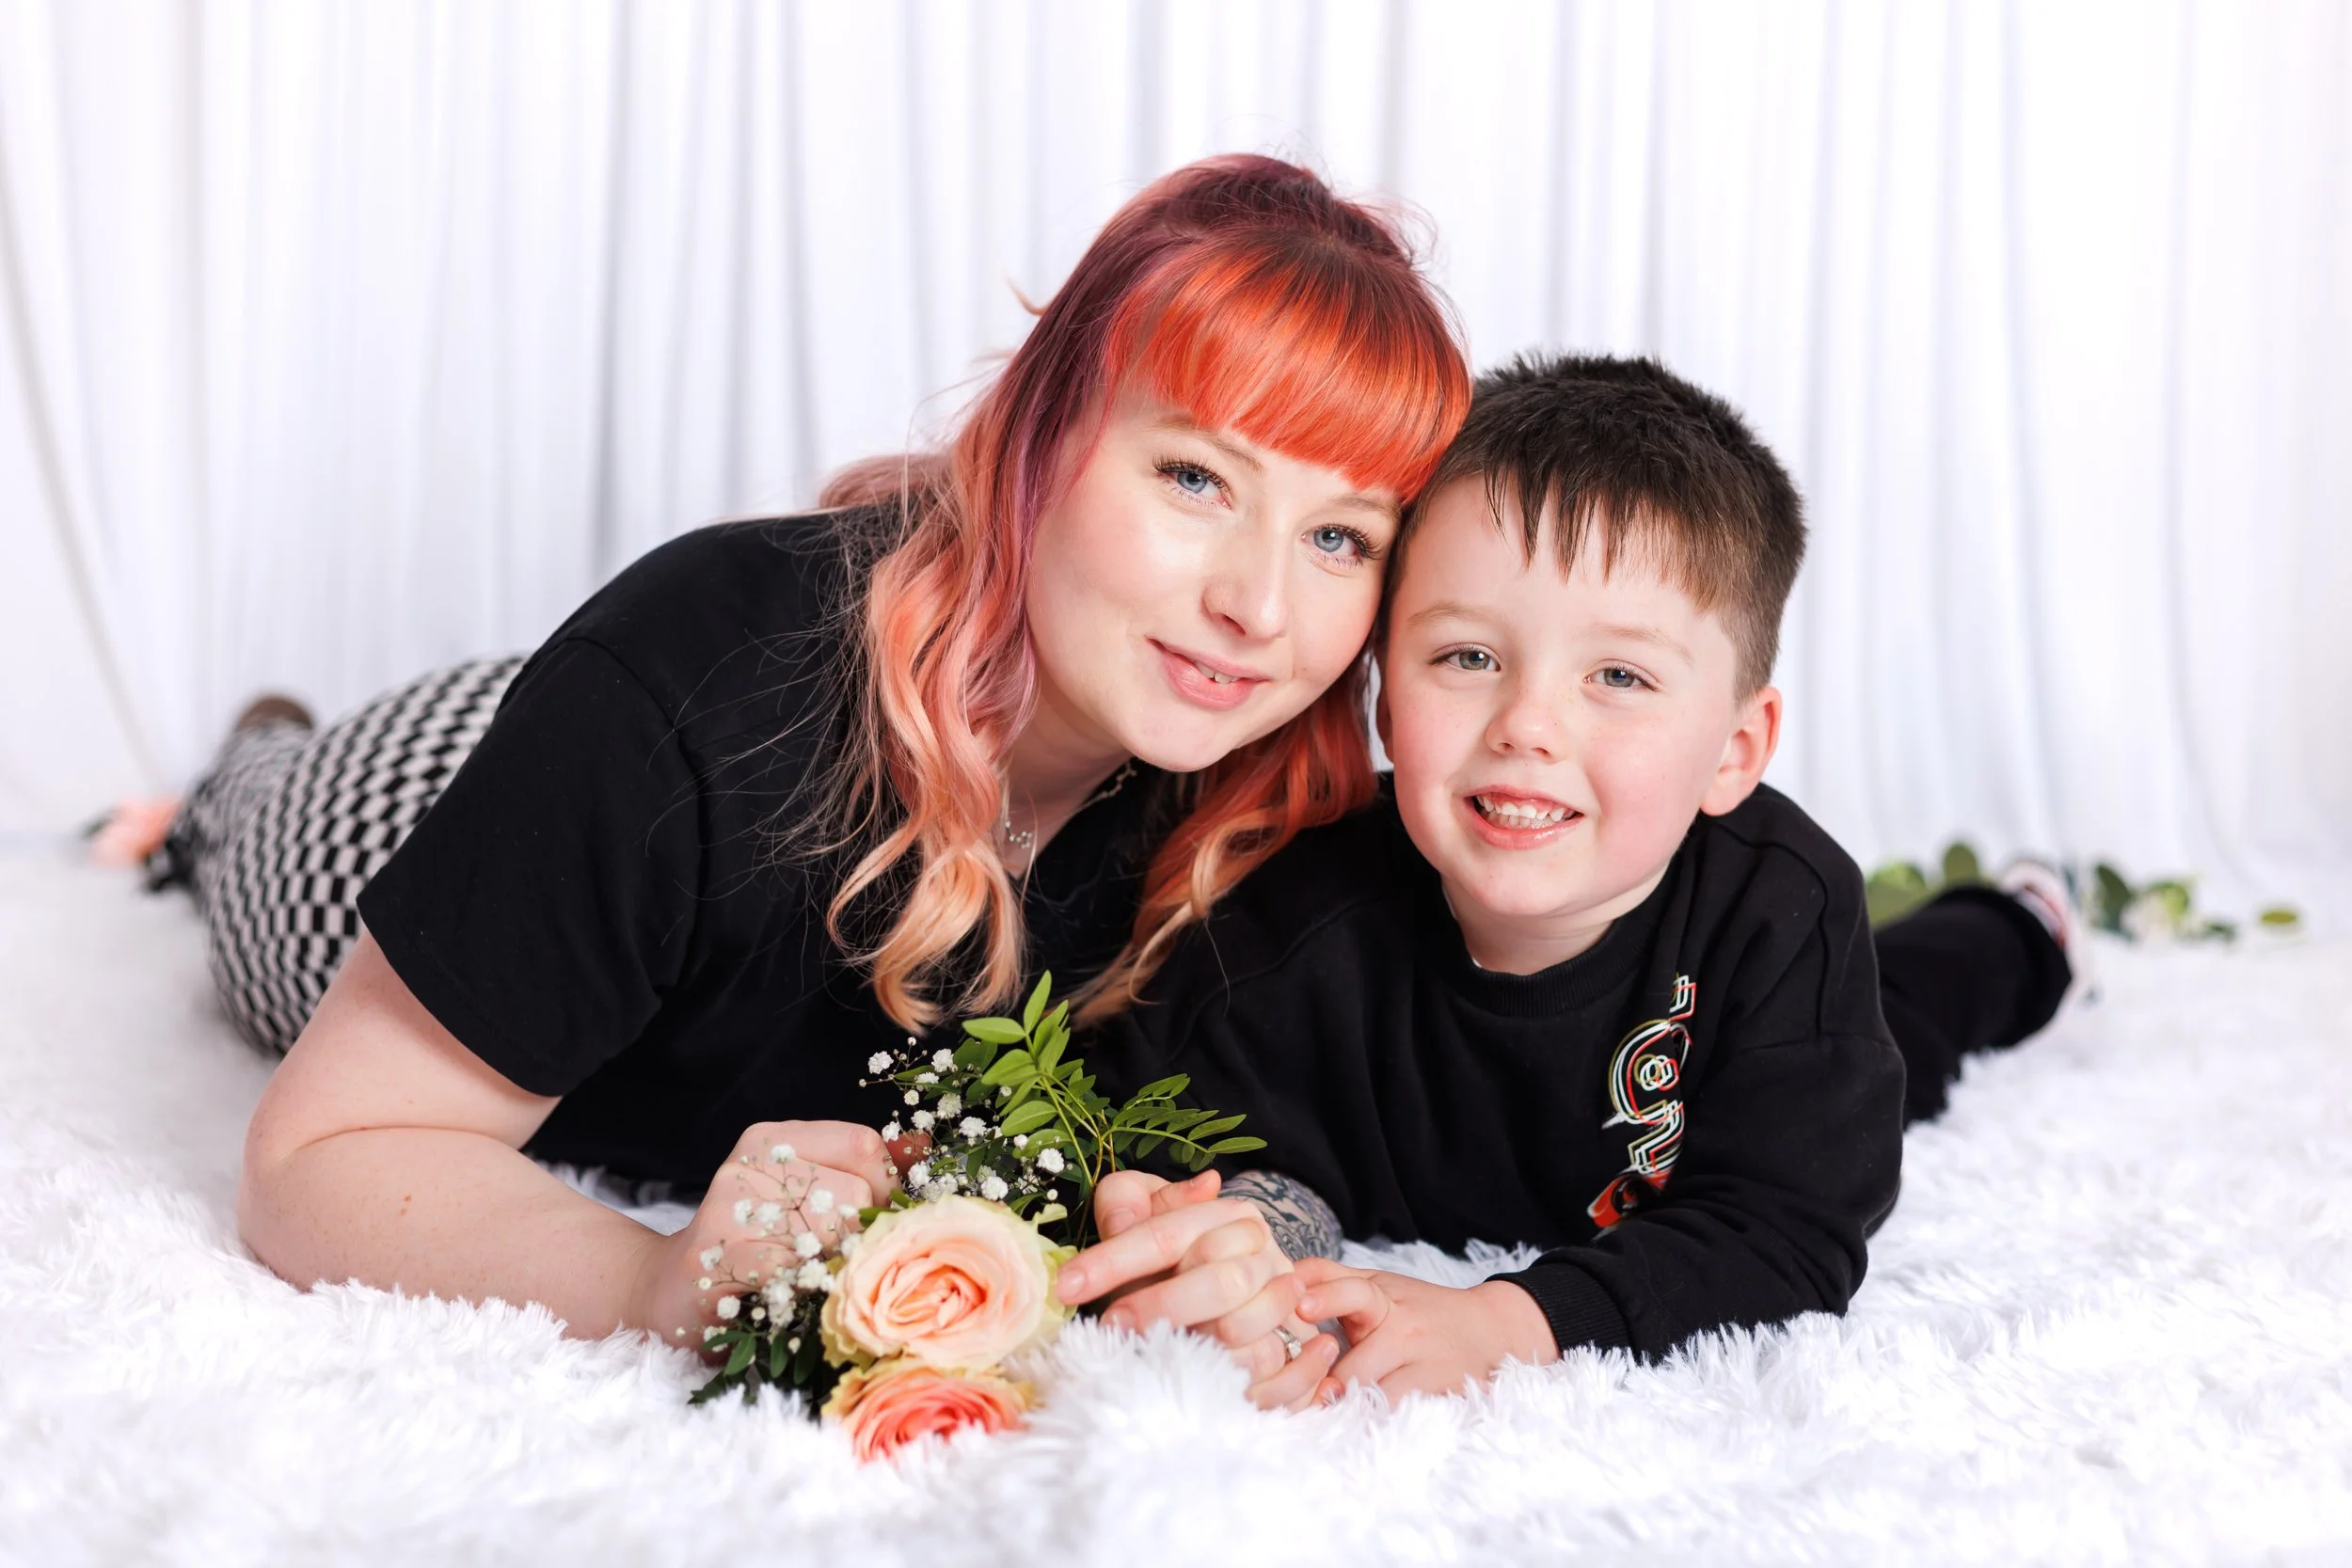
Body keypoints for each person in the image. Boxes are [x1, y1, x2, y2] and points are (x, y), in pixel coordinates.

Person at [204, 154, 1470, 1413]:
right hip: (449, 771)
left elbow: (1269, 1156)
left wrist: (1247, 1240)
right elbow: (317, 1155)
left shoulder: (1251, 779)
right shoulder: (687, 683)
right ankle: (221, 780)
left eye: (1338, 537)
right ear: (1045, 433)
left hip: (660, 779)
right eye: (1195, 478)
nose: (1255, 605)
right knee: (263, 829)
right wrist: (654, 1278)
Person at [1087, 353, 2077, 1399]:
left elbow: (1788, 1231)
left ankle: (2022, 923)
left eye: (1618, 676)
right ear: (1383, 697)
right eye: (1468, 656)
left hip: (1750, 1053)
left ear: (1737, 748)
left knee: (1909, 1020)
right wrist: (1227, 1240)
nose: (1527, 727)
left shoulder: (1777, 908)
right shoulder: (1292, 923)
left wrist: (1513, 1317)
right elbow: (1178, 1138)